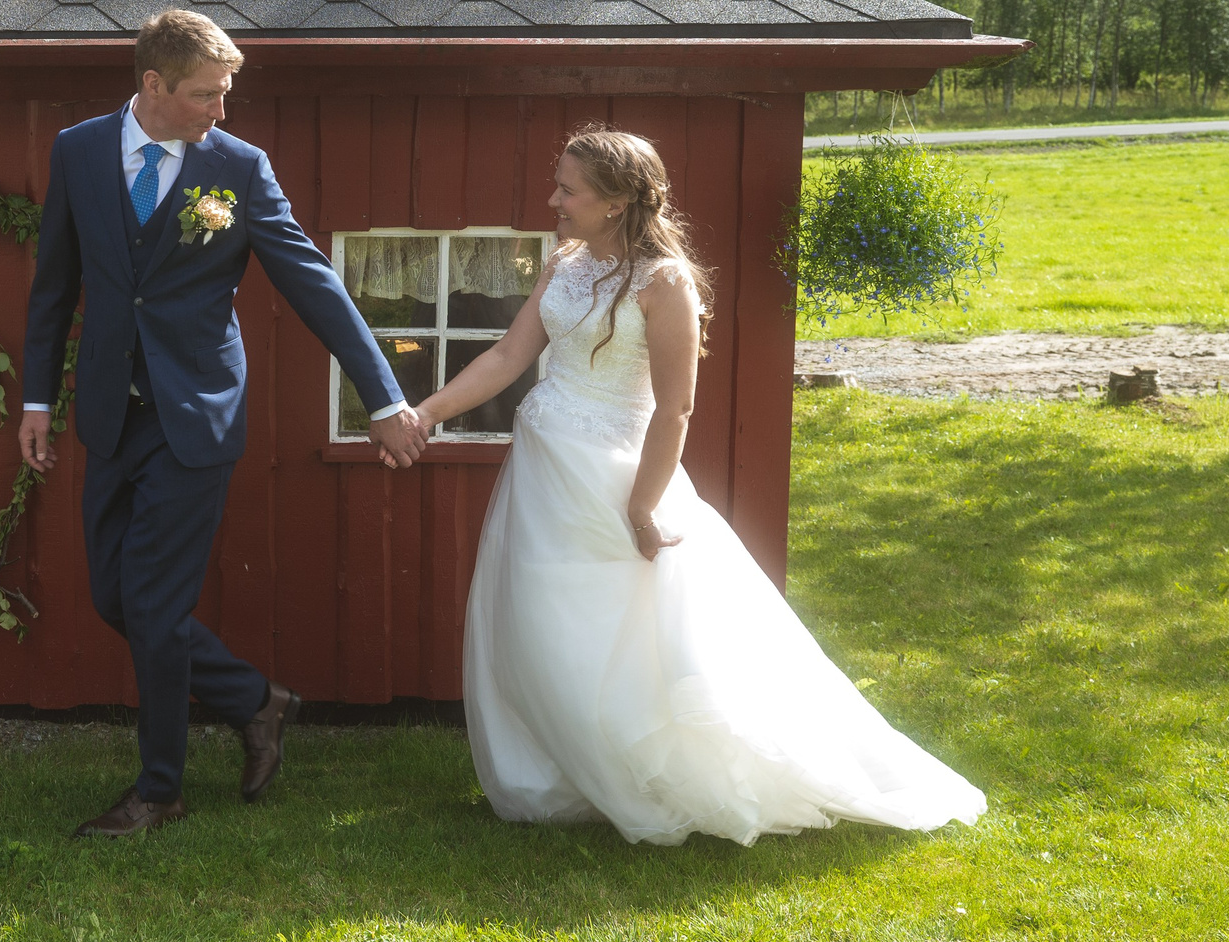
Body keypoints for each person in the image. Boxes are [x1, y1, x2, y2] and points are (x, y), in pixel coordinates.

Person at [413, 126, 986, 845]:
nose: (552, 198)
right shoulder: (563, 263)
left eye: (568, 188)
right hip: (544, 465)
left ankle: (652, 776)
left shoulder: (665, 283)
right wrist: (426, 413)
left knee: (625, 634)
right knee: (546, 625)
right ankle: (566, 775)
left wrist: (643, 505)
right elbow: (507, 355)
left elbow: (675, 406)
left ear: (617, 201)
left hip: (616, 475)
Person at [20, 10, 424, 839]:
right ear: (154, 86)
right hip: (109, 410)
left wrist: (382, 398)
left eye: (226, 92)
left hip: (195, 415)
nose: (221, 110)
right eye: (207, 94)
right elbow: (54, 285)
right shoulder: (78, 150)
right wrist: (36, 398)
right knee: (115, 597)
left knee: (156, 604)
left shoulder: (238, 168)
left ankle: (159, 788)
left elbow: (313, 280)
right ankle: (255, 700)